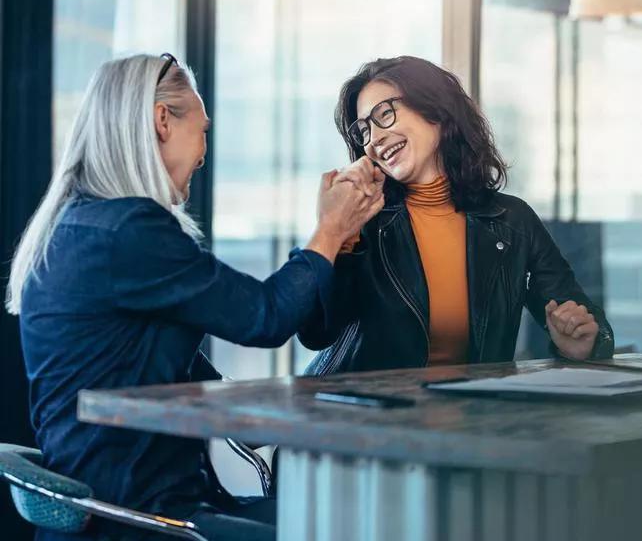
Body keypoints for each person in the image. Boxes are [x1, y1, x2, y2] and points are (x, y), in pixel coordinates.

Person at [5, 53, 383, 541]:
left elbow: (148, 358)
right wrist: (331, 230)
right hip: (143, 520)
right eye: (202, 130)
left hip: (113, 508)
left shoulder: (76, 227)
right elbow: (263, 317)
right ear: (162, 120)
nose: (205, 152)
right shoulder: (129, 230)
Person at [301, 56, 614, 376]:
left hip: (473, 415)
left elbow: (584, 318)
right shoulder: (363, 220)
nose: (374, 140)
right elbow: (315, 332)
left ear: (435, 109)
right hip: (366, 415)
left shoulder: (512, 220)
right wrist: (336, 234)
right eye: (363, 130)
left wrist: (580, 344)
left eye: (384, 114)